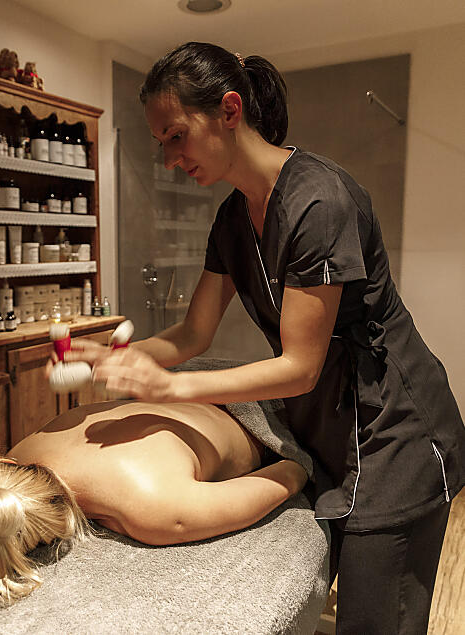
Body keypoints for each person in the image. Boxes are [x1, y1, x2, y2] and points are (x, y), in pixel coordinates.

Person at [58, 42, 465, 633]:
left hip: (395, 431)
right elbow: (193, 332)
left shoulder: (318, 202)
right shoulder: (232, 218)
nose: (168, 159)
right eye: (160, 143)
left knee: (378, 620)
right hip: (332, 420)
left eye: (176, 136)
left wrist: (169, 388)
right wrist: (120, 358)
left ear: (229, 110)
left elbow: (300, 366)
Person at [0, 399, 307, 606]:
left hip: (265, 415)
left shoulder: (152, 507)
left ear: (40, 541)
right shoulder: (24, 451)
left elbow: (291, 473)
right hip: (202, 387)